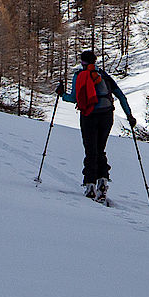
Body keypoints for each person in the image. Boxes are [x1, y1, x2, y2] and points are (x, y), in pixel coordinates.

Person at [58, 49, 135, 202]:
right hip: (107, 116)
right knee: (100, 149)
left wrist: (62, 95)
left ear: (82, 61)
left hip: (89, 116)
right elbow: (120, 96)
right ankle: (103, 181)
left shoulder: (79, 75)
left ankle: (90, 184)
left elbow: (74, 98)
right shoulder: (104, 76)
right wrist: (129, 116)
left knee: (90, 149)